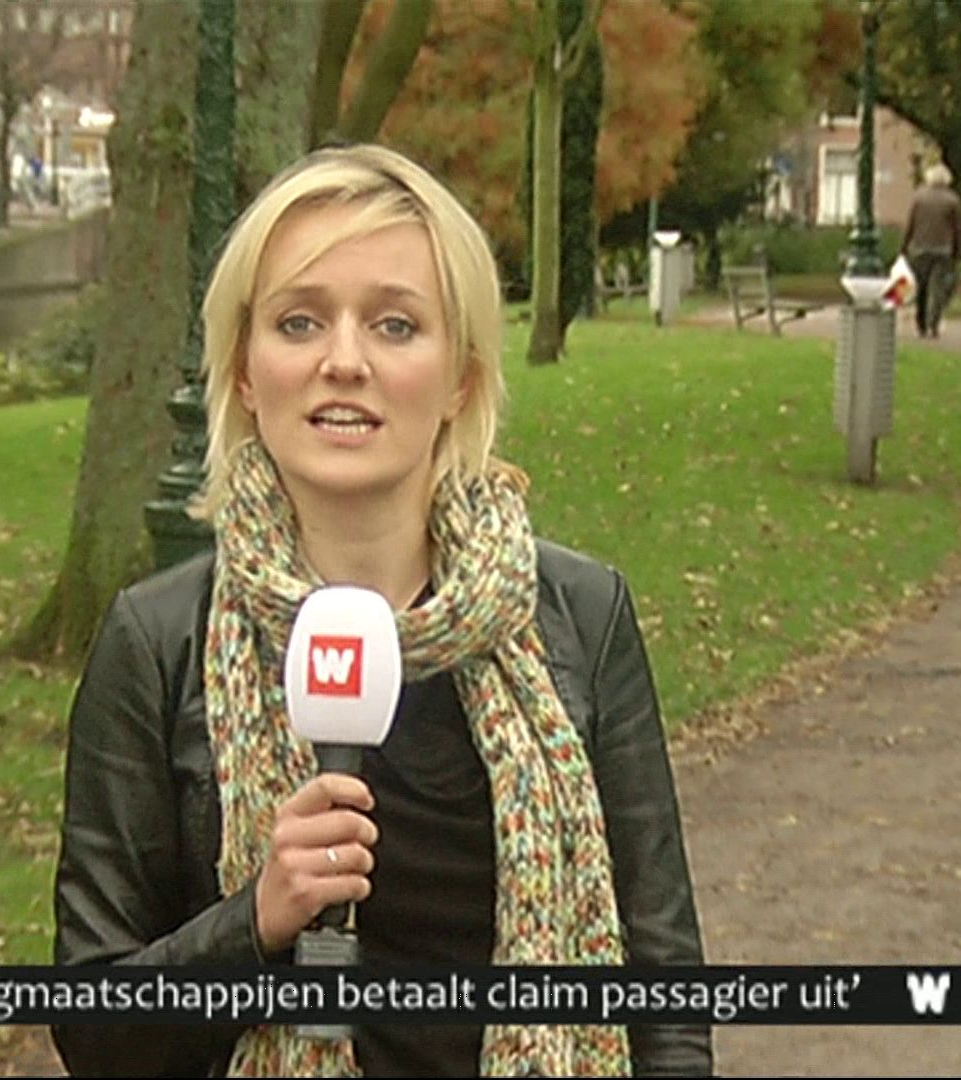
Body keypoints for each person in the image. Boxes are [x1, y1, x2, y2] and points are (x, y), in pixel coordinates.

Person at [50, 143, 709, 1078]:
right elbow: (93, 1028)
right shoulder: (158, 642)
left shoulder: (579, 617)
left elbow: (664, 992)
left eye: (395, 325)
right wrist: (255, 922)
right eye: (299, 322)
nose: (344, 361)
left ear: (460, 380)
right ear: (244, 372)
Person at [900, 162, 961, 339]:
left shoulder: (918, 198)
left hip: (919, 249)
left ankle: (920, 324)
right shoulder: (952, 200)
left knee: (921, 287)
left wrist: (904, 247)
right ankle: (933, 324)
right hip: (942, 250)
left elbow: (910, 225)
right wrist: (956, 251)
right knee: (937, 288)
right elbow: (957, 229)